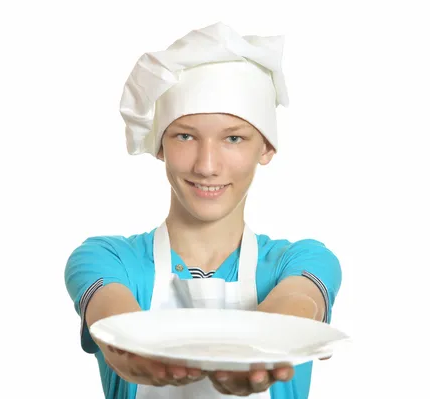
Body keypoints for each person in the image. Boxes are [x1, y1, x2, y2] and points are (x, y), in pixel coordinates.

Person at [64, 22, 342, 399]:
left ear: (266, 149)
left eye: (233, 138)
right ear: (160, 145)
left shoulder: (300, 260)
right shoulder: (107, 258)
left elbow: (298, 302)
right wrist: (127, 348)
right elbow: (114, 319)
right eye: (185, 136)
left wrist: (259, 352)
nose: (206, 165)